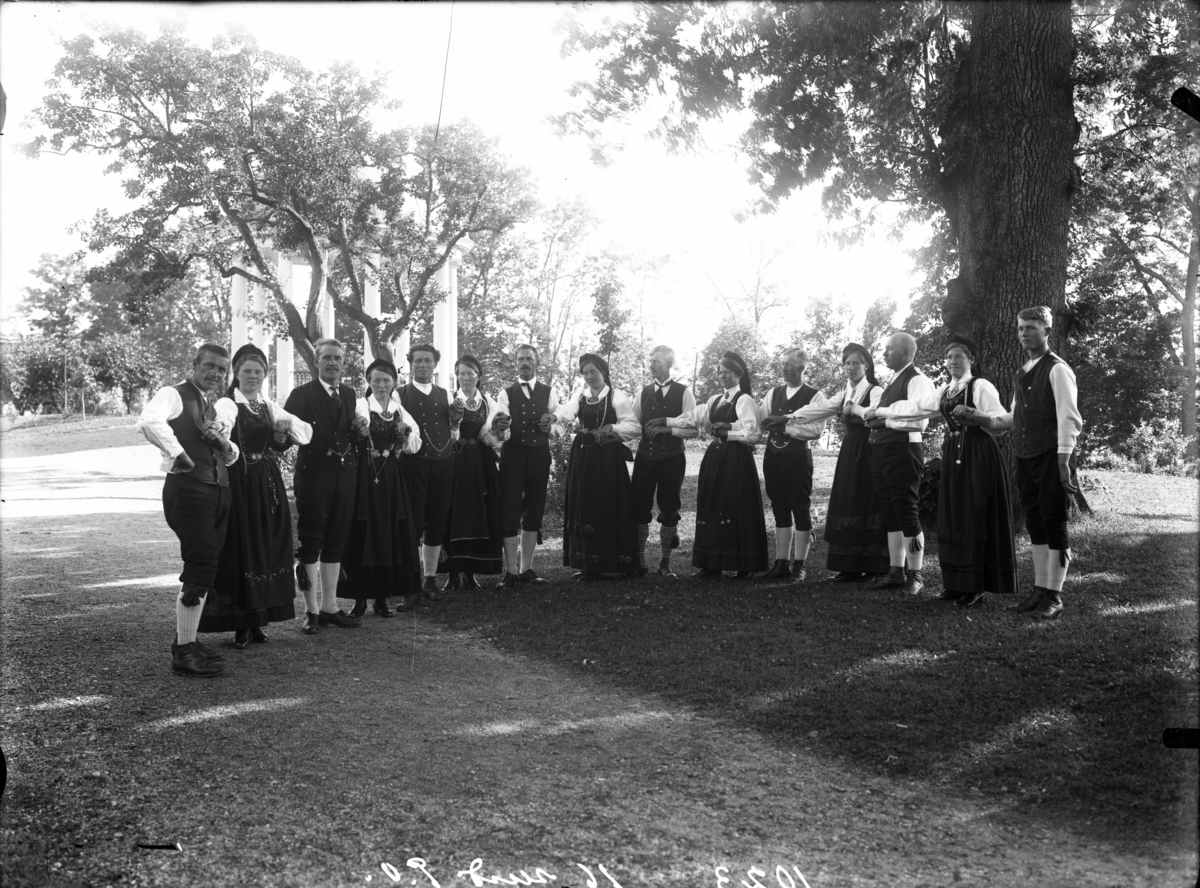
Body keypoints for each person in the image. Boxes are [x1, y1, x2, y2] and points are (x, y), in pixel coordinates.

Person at [870, 335, 1017, 606]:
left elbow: (1005, 420)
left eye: (958, 357)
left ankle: (974, 587)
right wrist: (881, 413)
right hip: (954, 455)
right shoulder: (944, 391)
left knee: (973, 516)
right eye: (948, 357)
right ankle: (954, 584)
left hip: (977, 456)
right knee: (954, 516)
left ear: (971, 359)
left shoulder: (980, 386)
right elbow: (915, 407)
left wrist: (978, 417)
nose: (952, 362)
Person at [959, 307, 1082, 619]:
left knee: (1054, 522)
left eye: (1031, 327)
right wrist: (979, 418)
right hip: (1025, 457)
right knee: (1035, 522)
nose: (1024, 333)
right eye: (1020, 329)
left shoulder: (1057, 369)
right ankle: (1040, 590)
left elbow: (1069, 418)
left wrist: (1063, 460)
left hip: (1051, 456)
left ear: (1046, 331)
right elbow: (1013, 418)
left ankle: (1054, 596)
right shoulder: (1023, 371)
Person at [137, 343, 240, 676]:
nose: (215, 373)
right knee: (202, 561)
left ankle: (188, 640)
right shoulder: (174, 393)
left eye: (222, 369)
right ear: (194, 364)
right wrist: (177, 453)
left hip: (215, 490)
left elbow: (230, 453)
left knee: (207, 563)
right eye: (209, 366)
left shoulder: (213, 404)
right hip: (189, 489)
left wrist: (225, 445)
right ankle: (183, 651)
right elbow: (150, 421)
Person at [202, 345, 313, 648]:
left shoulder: (267, 404)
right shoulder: (229, 403)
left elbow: (305, 433)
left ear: (265, 375)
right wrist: (222, 430)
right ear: (236, 374)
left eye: (258, 371)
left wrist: (284, 433)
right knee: (241, 549)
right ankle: (240, 624)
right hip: (240, 483)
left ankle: (258, 621)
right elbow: (222, 424)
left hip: (267, 485)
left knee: (267, 547)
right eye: (247, 371)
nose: (253, 376)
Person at [283, 337, 364, 634]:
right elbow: (284, 437)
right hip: (315, 474)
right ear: (316, 361)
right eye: (327, 357)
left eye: (338, 358)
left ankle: (330, 607)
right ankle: (311, 611)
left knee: (336, 539)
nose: (333, 363)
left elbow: (354, 433)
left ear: (343, 363)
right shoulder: (301, 394)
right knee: (311, 540)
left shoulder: (350, 393)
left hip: (346, 474)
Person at [669, 351, 769, 577]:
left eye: (728, 372)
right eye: (720, 372)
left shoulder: (744, 400)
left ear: (738, 374)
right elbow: (692, 417)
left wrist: (728, 433)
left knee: (736, 505)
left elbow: (754, 435)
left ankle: (745, 565)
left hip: (737, 459)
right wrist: (665, 422)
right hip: (715, 457)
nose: (723, 376)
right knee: (712, 504)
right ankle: (711, 563)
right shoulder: (715, 400)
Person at [341, 357, 424, 616]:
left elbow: (415, 444)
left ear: (394, 383)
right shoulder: (361, 405)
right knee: (363, 529)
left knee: (387, 531)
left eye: (386, 380)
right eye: (376, 380)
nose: (381, 385)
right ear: (368, 381)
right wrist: (360, 430)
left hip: (389, 476)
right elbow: (357, 426)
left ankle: (381, 598)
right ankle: (359, 598)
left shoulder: (399, 410)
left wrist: (406, 434)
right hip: (364, 475)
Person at [855, 332, 937, 595]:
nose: (884, 354)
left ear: (906, 351)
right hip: (882, 451)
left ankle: (916, 575)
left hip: (903, 450)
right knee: (890, 510)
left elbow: (919, 420)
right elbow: (873, 417)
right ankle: (895, 571)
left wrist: (884, 421)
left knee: (906, 509)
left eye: (889, 349)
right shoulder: (893, 381)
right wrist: (877, 421)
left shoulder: (918, 380)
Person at [554, 353, 641, 579]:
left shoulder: (616, 396)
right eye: (585, 373)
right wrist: (553, 418)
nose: (589, 377)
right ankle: (588, 564)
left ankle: (617, 562)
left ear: (603, 372)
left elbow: (633, 426)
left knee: (606, 502)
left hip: (606, 458)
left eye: (593, 371)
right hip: (583, 455)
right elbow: (567, 413)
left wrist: (611, 427)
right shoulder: (580, 396)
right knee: (585, 503)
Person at [487, 344, 562, 589]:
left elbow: (559, 426)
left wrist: (550, 428)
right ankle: (510, 572)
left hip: (540, 456)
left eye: (529, 359)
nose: (524, 363)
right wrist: (503, 426)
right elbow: (501, 426)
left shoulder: (550, 392)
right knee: (509, 510)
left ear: (537, 362)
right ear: (516, 363)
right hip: (513, 457)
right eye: (520, 359)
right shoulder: (505, 393)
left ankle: (526, 569)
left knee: (534, 510)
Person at [398, 344, 464, 602]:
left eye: (427, 361)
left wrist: (457, 421)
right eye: (418, 361)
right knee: (413, 523)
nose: (423, 365)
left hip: (443, 462)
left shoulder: (446, 394)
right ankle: (411, 583)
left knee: (437, 521)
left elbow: (454, 432)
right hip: (413, 464)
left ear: (435, 365)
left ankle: (429, 580)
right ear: (411, 365)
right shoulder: (399, 394)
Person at [439, 354, 505, 590]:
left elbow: (488, 439)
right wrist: (455, 425)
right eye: (461, 373)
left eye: (470, 373)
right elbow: (447, 434)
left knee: (479, 513)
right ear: (456, 376)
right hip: (454, 461)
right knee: (452, 513)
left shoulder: (488, 401)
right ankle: (452, 574)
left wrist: (496, 430)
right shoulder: (448, 399)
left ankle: (470, 573)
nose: (465, 377)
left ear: (479, 376)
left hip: (479, 464)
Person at [823, 344, 889, 580]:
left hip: (869, 449)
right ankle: (848, 566)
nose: (850, 367)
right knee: (847, 499)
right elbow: (821, 408)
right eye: (847, 363)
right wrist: (789, 417)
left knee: (866, 500)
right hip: (850, 449)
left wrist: (853, 410)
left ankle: (873, 566)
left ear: (866, 365)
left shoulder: (875, 390)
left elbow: (875, 417)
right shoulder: (845, 393)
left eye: (855, 363)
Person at [632, 345, 698, 578]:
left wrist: (667, 430)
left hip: (672, 458)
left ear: (669, 364)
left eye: (656, 361)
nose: (651, 365)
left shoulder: (684, 393)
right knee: (639, 507)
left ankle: (664, 562)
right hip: (644, 458)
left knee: (669, 509)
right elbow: (632, 426)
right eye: (650, 361)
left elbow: (693, 431)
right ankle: (639, 561)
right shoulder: (643, 393)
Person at [759, 347, 821, 582]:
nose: (783, 368)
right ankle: (781, 562)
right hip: (772, 456)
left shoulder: (815, 396)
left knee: (800, 506)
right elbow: (762, 420)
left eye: (788, 364)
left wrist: (785, 428)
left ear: (802, 368)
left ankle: (800, 565)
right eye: (782, 364)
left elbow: (816, 431)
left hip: (798, 457)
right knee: (779, 506)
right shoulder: (773, 393)